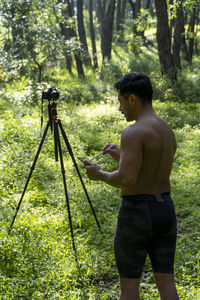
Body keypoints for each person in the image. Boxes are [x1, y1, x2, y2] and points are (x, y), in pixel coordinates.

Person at [84, 72, 179, 300]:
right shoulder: (165, 129)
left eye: (121, 102)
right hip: (165, 209)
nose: (120, 109)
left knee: (128, 288)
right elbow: (149, 169)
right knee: (166, 282)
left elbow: (127, 180)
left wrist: (99, 174)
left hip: (137, 212)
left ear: (132, 99)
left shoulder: (133, 132)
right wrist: (122, 158)